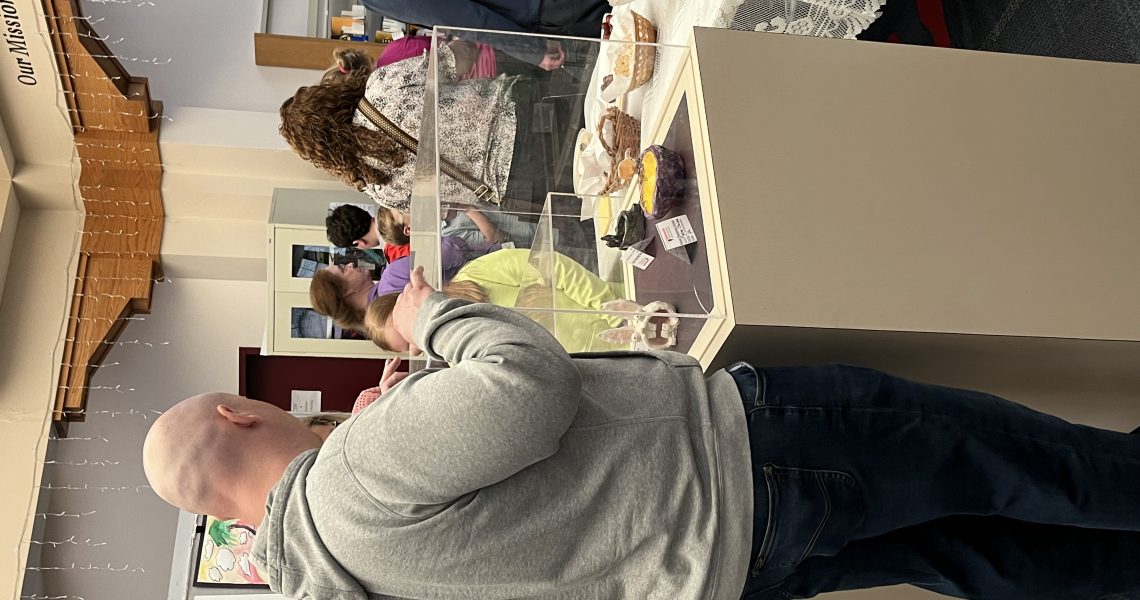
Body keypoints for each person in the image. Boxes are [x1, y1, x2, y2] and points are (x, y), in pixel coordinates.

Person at [143, 267, 1140, 600]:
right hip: (745, 461)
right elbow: (529, 385)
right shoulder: (349, 481)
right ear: (238, 414)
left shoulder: (333, 573)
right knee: (1032, 464)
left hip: (729, 563)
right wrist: (427, 321)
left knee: (979, 555)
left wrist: (410, 409)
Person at [280, 47, 556, 214]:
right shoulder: (380, 88)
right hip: (525, 112)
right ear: (327, 96)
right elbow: (460, 57)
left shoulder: (378, 188)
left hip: (520, 185)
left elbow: (447, 211)